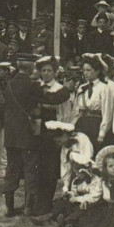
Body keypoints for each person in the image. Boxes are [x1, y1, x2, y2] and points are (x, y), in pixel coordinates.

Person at [3, 53, 69, 217]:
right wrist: (69, 89)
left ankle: (10, 207)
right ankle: (28, 208)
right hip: (28, 135)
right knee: (31, 170)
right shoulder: (32, 86)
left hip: (12, 136)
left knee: (12, 170)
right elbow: (54, 99)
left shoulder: (9, 83)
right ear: (32, 67)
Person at [34, 56, 73, 216]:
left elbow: (65, 113)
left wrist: (62, 132)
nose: (46, 74)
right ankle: (36, 201)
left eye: (49, 71)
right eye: (43, 71)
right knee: (38, 168)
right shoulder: (36, 87)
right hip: (38, 131)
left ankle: (47, 203)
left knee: (50, 169)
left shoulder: (59, 89)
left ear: (55, 72)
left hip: (53, 133)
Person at [29, 151, 102, 227]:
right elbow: (74, 192)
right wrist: (69, 194)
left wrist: (77, 199)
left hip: (89, 202)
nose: (76, 175)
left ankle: (67, 221)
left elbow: (94, 197)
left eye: (78, 173)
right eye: (75, 173)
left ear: (85, 171)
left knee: (81, 210)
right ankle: (49, 218)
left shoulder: (95, 181)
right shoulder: (76, 181)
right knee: (62, 203)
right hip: (77, 200)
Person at [71, 53, 114, 151]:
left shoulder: (104, 88)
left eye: (88, 70)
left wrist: (102, 133)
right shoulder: (82, 87)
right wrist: (72, 126)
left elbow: (107, 114)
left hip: (96, 125)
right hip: (81, 125)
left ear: (97, 71)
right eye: (84, 70)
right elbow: (76, 110)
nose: (85, 73)